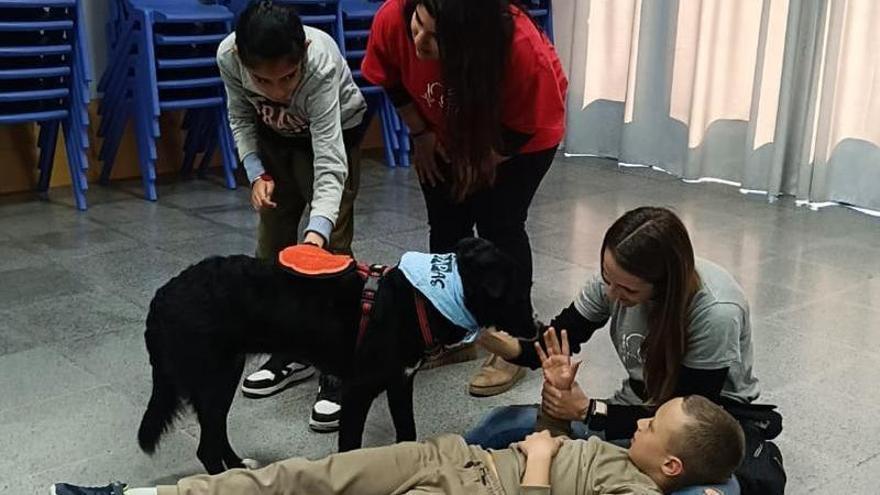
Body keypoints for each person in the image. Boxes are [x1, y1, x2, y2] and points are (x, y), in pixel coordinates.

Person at [361, 0, 568, 395]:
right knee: (447, 222)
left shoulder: (521, 49)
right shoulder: (395, 15)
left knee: (499, 226)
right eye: (418, 25)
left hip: (519, 139)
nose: (419, 41)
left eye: (436, 39)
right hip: (442, 129)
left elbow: (532, 120)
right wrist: (421, 134)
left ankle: (513, 343)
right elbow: (388, 76)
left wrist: (484, 160)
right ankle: (451, 330)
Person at [466, 206, 762, 448]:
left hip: (701, 423)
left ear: (664, 286)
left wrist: (589, 411)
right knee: (501, 425)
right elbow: (556, 341)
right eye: (607, 277)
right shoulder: (615, 279)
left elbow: (686, 418)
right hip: (637, 406)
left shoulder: (716, 312)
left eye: (627, 291)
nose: (611, 294)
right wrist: (495, 340)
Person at [51, 395, 745, 495]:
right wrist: (557, 422)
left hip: (476, 487)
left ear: (672, 465)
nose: (642, 420)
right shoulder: (622, 454)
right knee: (298, 473)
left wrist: (537, 462)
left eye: (655, 423)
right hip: (445, 456)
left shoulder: (635, 489)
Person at [216, 0, 370, 432]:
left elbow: (330, 162)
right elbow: (240, 114)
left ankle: (339, 366)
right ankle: (291, 350)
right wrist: (255, 171)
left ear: (302, 52)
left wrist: (317, 236)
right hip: (275, 137)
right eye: (263, 80)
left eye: (287, 77)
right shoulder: (228, 58)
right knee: (272, 252)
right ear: (243, 62)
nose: (278, 89)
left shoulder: (319, 65)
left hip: (336, 134)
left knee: (332, 255)